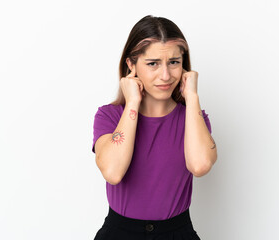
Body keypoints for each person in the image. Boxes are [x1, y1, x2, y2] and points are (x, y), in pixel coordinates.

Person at [91, 15, 217, 240]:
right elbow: (112, 172)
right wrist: (132, 102)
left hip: (177, 233)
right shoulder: (109, 116)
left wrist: (192, 96)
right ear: (131, 65)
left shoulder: (194, 118)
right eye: (153, 64)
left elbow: (200, 166)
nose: (166, 75)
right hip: (120, 233)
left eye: (174, 62)